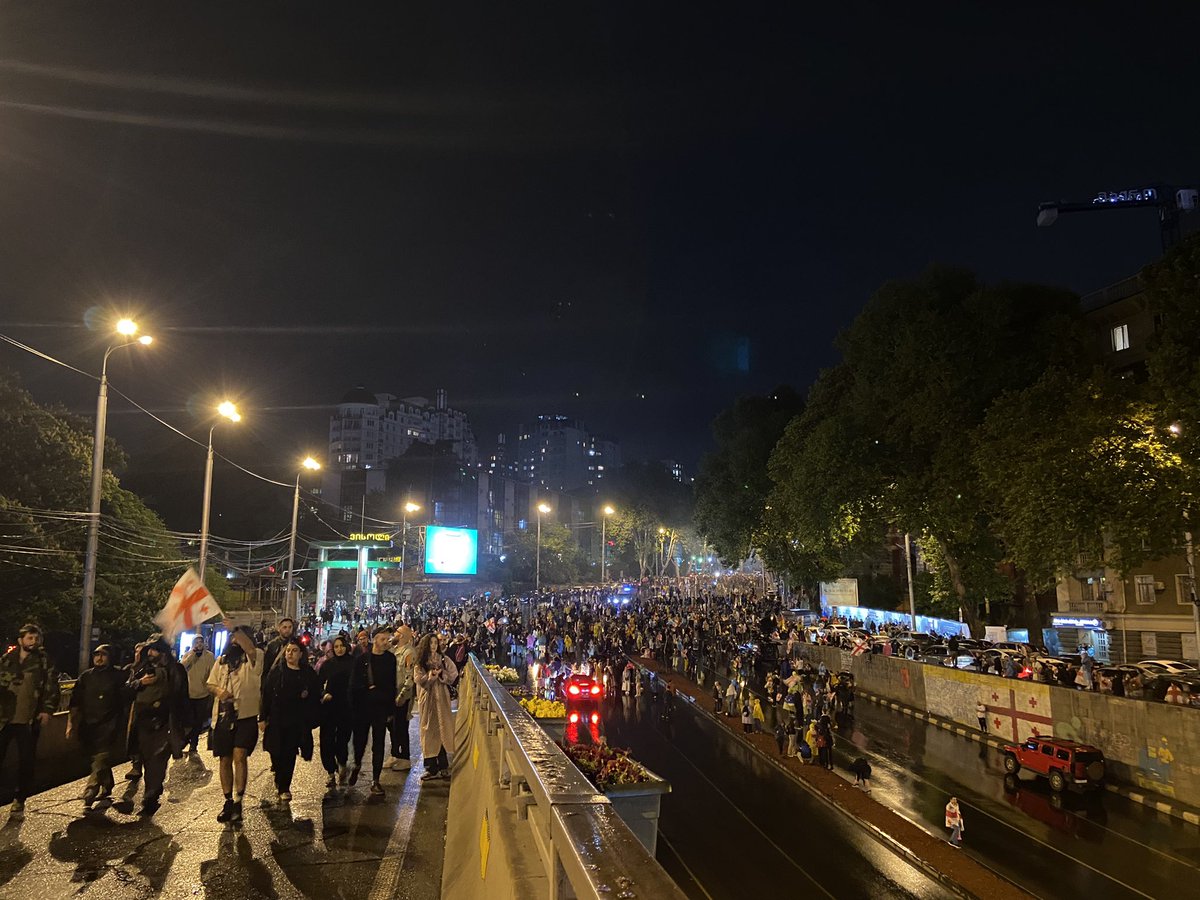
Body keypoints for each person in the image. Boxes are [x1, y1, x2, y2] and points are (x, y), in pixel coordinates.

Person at [0, 624, 59, 818]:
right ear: (21, 640)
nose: (33, 642)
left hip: (28, 719)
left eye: (36, 638)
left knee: (26, 760)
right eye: (29, 638)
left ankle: (19, 799)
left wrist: (47, 710)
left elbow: (51, 686)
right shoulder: (7, 660)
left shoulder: (43, 661)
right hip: (4, 718)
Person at [207, 623, 262, 824]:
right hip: (223, 716)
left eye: (238, 637)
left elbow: (250, 650)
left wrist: (236, 630)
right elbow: (211, 683)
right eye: (232, 638)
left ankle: (239, 799)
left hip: (246, 716)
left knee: (240, 755)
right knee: (224, 758)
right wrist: (219, 692)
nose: (234, 641)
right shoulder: (221, 661)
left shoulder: (254, 658)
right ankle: (228, 799)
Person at [127, 635, 185, 816]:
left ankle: (151, 795)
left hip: (163, 722)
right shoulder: (144, 668)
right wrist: (139, 677)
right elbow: (128, 687)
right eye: (149, 649)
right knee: (145, 757)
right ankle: (151, 791)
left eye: (154, 650)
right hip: (143, 721)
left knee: (157, 760)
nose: (150, 653)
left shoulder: (175, 669)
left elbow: (180, 695)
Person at [67, 644, 124, 809]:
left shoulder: (118, 676)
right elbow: (75, 701)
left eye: (103, 655)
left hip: (110, 724)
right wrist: (71, 722)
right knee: (93, 757)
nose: (99, 658)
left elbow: (125, 698)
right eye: (96, 655)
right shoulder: (86, 677)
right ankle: (107, 782)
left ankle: (91, 789)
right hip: (89, 725)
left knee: (101, 756)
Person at [260, 642, 319, 801]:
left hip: (296, 720)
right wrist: (263, 717)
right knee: (276, 752)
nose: (290, 654)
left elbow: (315, 694)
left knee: (290, 753)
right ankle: (279, 777)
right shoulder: (277, 673)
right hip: (277, 719)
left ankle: (285, 786)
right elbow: (267, 695)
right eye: (288, 651)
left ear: (301, 654)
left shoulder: (307, 673)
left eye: (294, 651)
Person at [349, 627, 398, 795]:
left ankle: (376, 780)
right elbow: (353, 685)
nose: (386, 642)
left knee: (378, 744)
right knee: (360, 741)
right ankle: (357, 763)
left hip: (381, 709)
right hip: (363, 709)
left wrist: (391, 710)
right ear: (375, 639)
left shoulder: (391, 659)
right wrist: (367, 689)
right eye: (383, 639)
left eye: (388, 639)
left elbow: (392, 685)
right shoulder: (362, 659)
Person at [414, 632, 458, 781]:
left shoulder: (444, 659)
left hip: (442, 698)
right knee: (429, 730)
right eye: (431, 643)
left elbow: (453, 674)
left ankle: (443, 765)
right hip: (428, 699)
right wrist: (429, 677)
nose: (433, 646)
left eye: (435, 643)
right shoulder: (421, 662)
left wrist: (441, 675)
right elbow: (418, 679)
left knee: (442, 728)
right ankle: (431, 767)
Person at [319, 635, 355, 787]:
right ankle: (330, 771)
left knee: (342, 739)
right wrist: (324, 694)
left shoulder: (353, 664)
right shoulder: (327, 665)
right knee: (326, 739)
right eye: (336, 647)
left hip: (346, 708)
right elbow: (318, 685)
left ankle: (342, 763)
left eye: (342, 646)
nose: (339, 649)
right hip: (329, 707)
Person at [180, 636, 216, 755]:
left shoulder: (209, 656)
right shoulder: (188, 654)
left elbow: (212, 673)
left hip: (203, 694)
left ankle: (193, 744)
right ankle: (185, 739)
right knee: (188, 720)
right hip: (189, 694)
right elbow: (182, 666)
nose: (199, 644)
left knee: (198, 721)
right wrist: (193, 654)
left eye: (201, 642)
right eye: (197, 642)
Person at [390, 625, 416, 771]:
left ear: (402, 636)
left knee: (401, 727)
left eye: (397, 632)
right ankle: (395, 754)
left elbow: (409, 677)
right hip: (393, 693)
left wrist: (402, 696)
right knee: (393, 727)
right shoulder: (395, 650)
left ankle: (404, 757)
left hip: (402, 696)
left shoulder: (408, 653)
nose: (394, 634)